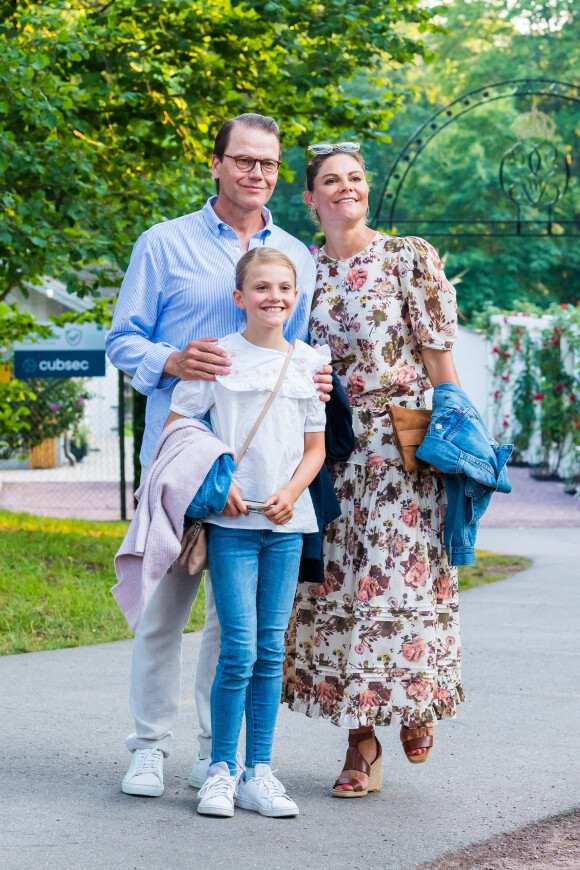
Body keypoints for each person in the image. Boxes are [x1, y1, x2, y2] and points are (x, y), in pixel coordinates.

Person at [105, 113, 332, 798]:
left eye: (267, 164)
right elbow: (122, 341)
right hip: (180, 460)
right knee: (165, 609)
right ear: (216, 163)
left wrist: (314, 376)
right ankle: (148, 747)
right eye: (243, 161)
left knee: (229, 625)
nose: (255, 173)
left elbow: (290, 349)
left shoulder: (297, 254)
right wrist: (171, 358)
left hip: (261, 471)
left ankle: (217, 754)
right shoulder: (164, 243)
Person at [282, 142, 464, 797]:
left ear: (367, 188)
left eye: (354, 178)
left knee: (397, 583)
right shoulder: (300, 270)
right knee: (338, 593)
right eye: (330, 180)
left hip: (400, 448)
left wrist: (455, 438)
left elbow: (441, 362)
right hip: (328, 450)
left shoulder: (405, 257)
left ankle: (414, 701)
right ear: (310, 197)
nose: (344, 188)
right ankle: (361, 747)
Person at [166, 247, 328, 817]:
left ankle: (260, 772)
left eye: (284, 288)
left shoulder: (310, 364)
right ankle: (220, 771)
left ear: (295, 296)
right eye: (261, 288)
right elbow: (179, 428)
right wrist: (216, 476)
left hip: (286, 525)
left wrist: (292, 491)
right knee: (236, 648)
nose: (274, 297)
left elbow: (315, 449)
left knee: (269, 647)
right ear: (240, 298)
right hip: (232, 525)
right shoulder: (217, 358)